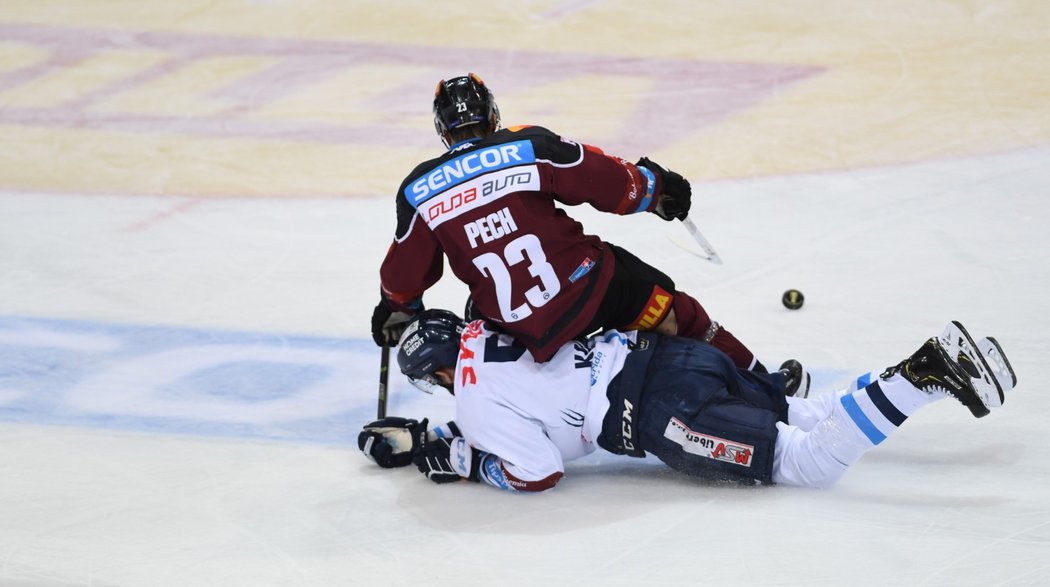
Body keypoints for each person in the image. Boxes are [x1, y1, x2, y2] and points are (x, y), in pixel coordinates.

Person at [358, 311, 1016, 491]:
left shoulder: (469, 401)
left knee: (806, 463)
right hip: (672, 354)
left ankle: (923, 372)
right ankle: (931, 369)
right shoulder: (491, 317)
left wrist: (469, 460)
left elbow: (540, 470)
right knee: (801, 413)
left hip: (661, 415)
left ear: (435, 373)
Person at [371, 73, 766, 372]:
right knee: (673, 310)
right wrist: (657, 189)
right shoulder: (527, 144)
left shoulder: (418, 189)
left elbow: (402, 276)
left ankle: (512, 414)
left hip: (520, 331)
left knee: (478, 318)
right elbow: (606, 181)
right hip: (590, 289)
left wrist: (397, 307)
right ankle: (758, 380)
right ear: (492, 115)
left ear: (442, 131)